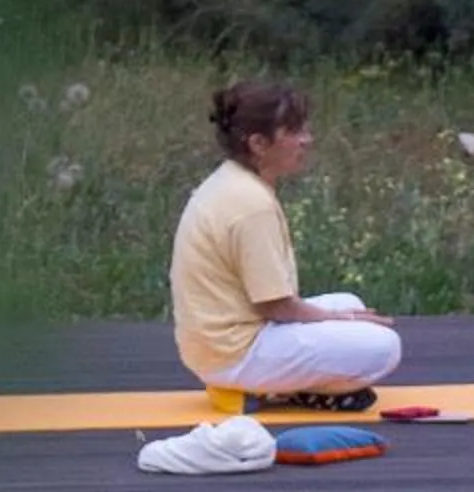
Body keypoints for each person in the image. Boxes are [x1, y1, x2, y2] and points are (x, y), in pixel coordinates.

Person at [169, 81, 402, 408]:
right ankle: (273, 387)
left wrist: (340, 315)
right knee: (384, 346)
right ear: (259, 144)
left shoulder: (231, 181)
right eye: (293, 131)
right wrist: (341, 321)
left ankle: (279, 385)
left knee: (349, 301)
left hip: (213, 345)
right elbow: (275, 306)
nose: (307, 140)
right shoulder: (250, 205)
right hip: (234, 353)